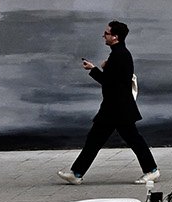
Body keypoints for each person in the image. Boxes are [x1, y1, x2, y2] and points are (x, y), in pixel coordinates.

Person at [59, 20, 158, 187]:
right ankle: (77, 173)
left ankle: (152, 170)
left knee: (131, 140)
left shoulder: (119, 55)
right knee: (96, 140)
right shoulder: (119, 54)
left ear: (115, 37)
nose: (103, 36)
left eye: (106, 33)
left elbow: (109, 82)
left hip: (118, 109)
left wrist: (93, 69)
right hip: (115, 108)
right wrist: (104, 66)